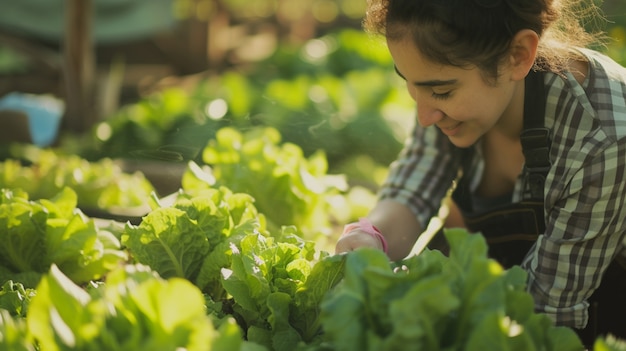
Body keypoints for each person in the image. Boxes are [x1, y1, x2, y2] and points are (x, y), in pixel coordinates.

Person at [334, 0, 626, 346]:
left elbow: (548, 309)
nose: (424, 115)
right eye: (411, 87)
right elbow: (416, 182)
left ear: (518, 55)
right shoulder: (459, 92)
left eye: (440, 91)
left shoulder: (603, 136)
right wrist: (371, 237)